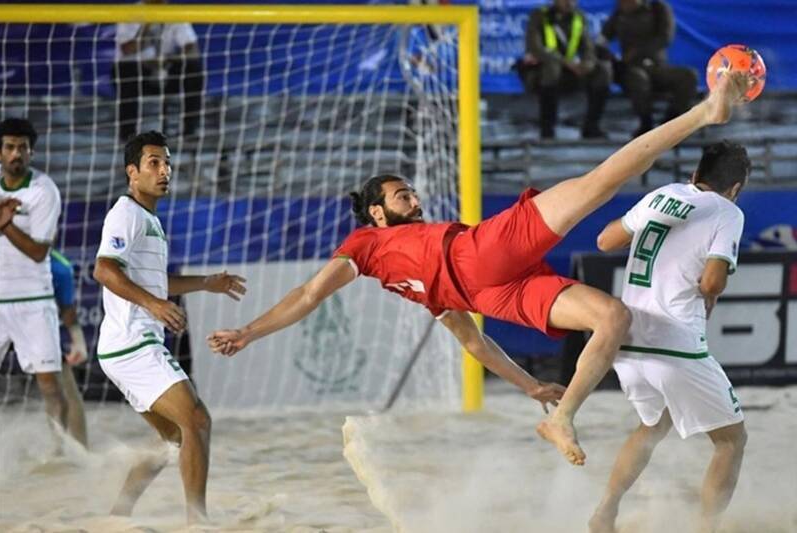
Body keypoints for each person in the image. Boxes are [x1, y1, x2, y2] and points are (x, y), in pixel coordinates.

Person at [208, 72, 751, 466]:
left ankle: (560, 417)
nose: (413, 197)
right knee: (599, 183)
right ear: (375, 213)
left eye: (411, 191)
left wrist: (529, 386)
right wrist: (249, 331)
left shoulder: (415, 282)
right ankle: (705, 112)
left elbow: (476, 344)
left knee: (613, 318)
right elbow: (308, 295)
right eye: (400, 194)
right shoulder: (366, 243)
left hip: (484, 289)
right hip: (478, 257)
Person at [589, 141, 750, 533]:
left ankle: (605, 511)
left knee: (653, 425)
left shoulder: (663, 195)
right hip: (675, 343)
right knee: (731, 440)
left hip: (628, 343)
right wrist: (710, 291)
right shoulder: (728, 211)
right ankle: (706, 529)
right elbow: (712, 281)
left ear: (695, 175)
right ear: (736, 188)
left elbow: (605, 240)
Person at [92, 131, 246, 523]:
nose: (165, 171)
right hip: (133, 343)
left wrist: (206, 283)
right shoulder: (126, 213)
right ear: (132, 172)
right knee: (197, 420)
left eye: (167, 163)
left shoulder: (149, 219)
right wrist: (154, 304)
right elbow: (104, 270)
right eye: (154, 163)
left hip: (125, 347)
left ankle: (117, 517)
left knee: (174, 437)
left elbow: (157, 283)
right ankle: (198, 522)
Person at [0, 118, 75, 448]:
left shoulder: (44, 191)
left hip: (34, 300)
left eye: (23, 148)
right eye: (10, 147)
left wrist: (6, 224)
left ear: (32, 152)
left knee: (49, 385)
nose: (16, 153)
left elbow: (39, 252)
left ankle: (60, 450)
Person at [602, 0, 698, 137]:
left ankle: (671, 123)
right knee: (638, 79)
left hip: (656, 66)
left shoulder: (658, 8)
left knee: (689, 76)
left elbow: (665, 38)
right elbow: (604, 37)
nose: (625, 4)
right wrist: (609, 55)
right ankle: (646, 125)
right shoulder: (619, 13)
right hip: (632, 67)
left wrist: (639, 51)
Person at [113, 0, 204, 141]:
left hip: (165, 67)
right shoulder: (130, 12)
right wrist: (147, 25)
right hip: (137, 70)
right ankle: (128, 134)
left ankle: (190, 130)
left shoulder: (173, 13)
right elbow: (127, 49)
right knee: (127, 70)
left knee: (193, 68)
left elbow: (192, 48)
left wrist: (169, 59)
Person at [520, 0, 610, 139]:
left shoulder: (578, 17)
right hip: (543, 71)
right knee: (552, 68)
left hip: (570, 71)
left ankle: (591, 126)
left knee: (603, 71)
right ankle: (547, 128)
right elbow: (535, 48)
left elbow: (587, 47)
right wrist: (566, 63)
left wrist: (587, 64)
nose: (569, 2)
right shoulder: (540, 16)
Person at [50, 248, 90, 448]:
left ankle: (78, 450)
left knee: (62, 390)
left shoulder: (59, 266)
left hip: (36, 327)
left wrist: (78, 341)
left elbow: (67, 307)